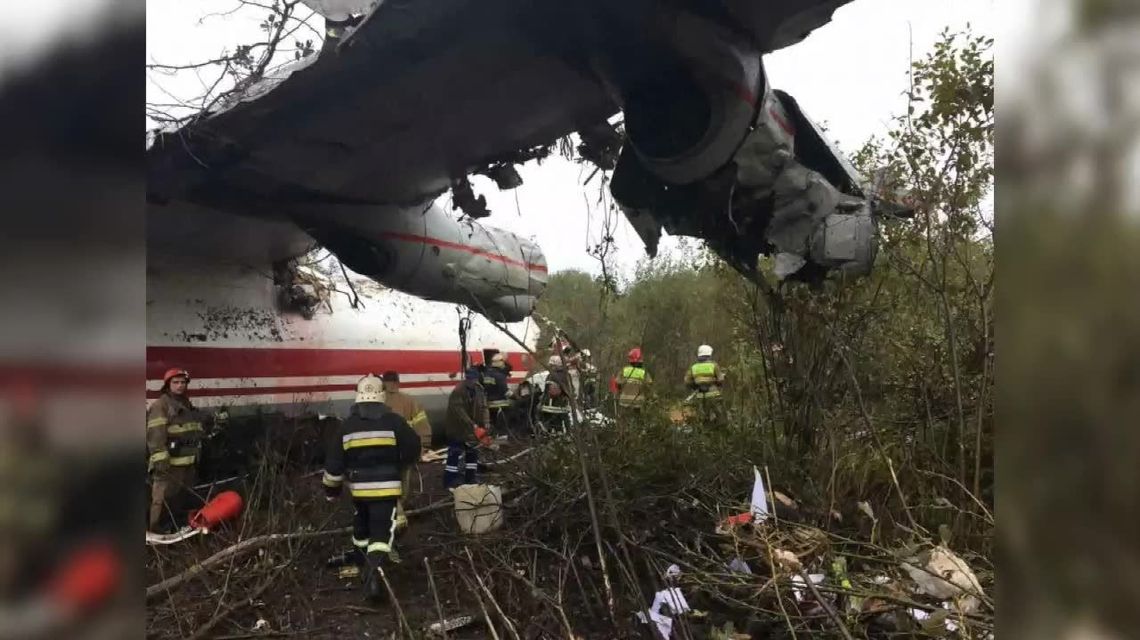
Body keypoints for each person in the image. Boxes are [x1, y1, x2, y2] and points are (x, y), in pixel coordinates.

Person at [322, 374, 420, 602]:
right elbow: (413, 447)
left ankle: (361, 559)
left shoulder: (346, 426)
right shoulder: (394, 421)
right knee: (381, 535)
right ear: (382, 397)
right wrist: (399, 463)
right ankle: (373, 581)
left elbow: (333, 465)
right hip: (386, 492)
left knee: (362, 527)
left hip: (359, 493)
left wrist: (331, 491)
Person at [146, 368, 207, 533]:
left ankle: (173, 530)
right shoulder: (161, 405)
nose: (180, 386)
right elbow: (155, 435)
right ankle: (155, 533)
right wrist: (160, 460)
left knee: (179, 500)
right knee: (161, 500)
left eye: (183, 382)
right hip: (168, 465)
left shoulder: (187, 405)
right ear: (168, 385)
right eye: (176, 382)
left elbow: (195, 431)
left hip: (186, 463)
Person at [378, 371, 431, 529]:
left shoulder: (375, 404)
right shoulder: (410, 401)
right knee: (403, 486)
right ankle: (398, 517)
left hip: (381, 455)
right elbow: (423, 427)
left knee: (384, 487)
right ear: (398, 382)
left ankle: (389, 517)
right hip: (403, 454)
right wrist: (423, 447)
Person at [443, 368, 491, 489]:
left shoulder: (479, 390)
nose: (471, 381)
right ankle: (449, 481)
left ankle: (470, 478)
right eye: (469, 379)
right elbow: (459, 411)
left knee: (472, 453)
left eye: (473, 379)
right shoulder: (458, 391)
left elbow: (484, 407)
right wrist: (473, 425)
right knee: (455, 453)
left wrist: (486, 424)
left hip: (472, 430)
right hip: (457, 429)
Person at [685, 344, 727, 421]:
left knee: (703, 418)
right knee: (720, 416)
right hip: (714, 394)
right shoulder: (713, 365)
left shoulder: (693, 367)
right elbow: (720, 379)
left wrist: (696, 386)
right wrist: (717, 382)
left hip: (700, 395)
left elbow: (687, 381)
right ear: (709, 354)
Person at [536, 355, 573, 434]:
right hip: (562, 405)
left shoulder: (550, 376)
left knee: (551, 424)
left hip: (549, 406)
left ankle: (550, 436)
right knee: (563, 422)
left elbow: (546, 391)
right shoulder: (566, 375)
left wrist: (541, 403)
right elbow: (571, 390)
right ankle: (566, 436)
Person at [614, 348, 652, 414]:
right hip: (638, 403)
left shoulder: (624, 370)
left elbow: (617, 383)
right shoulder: (644, 373)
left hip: (624, 401)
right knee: (637, 420)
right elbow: (649, 386)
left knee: (624, 419)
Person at [481, 353, 512, 436]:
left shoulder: (487, 373)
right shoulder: (499, 375)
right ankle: (502, 438)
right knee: (503, 422)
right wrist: (515, 396)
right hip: (501, 404)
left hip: (490, 403)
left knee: (493, 423)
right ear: (500, 363)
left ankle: (493, 438)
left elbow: (486, 387)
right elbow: (505, 391)